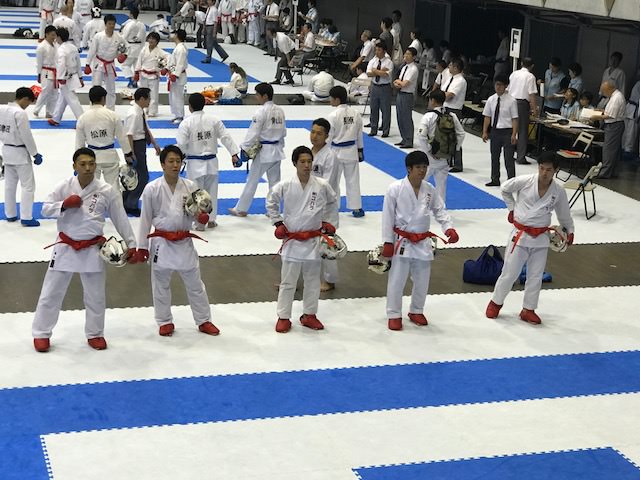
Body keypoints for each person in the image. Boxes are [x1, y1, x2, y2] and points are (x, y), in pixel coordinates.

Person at [31, 148, 137, 353]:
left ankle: (95, 333)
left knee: (95, 295)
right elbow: (44, 208)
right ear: (74, 166)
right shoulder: (65, 186)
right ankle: (41, 333)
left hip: (92, 247)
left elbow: (120, 218)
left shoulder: (106, 190)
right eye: (83, 164)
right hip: (65, 246)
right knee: (51, 292)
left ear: (96, 165)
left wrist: (132, 244)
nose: (88, 168)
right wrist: (63, 205)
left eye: (91, 163)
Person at [130, 145, 221, 338]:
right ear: (163, 164)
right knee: (160, 284)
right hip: (162, 243)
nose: (175, 165)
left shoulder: (191, 186)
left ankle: (204, 320)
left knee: (195, 284)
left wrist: (202, 219)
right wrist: (141, 247)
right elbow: (145, 219)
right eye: (170, 161)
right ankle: (164, 321)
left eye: (178, 161)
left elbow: (199, 212)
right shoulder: (152, 189)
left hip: (184, 241)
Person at [486, 152, 574, 325]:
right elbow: (505, 188)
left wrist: (569, 231)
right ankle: (495, 302)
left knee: (535, 276)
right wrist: (511, 209)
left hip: (541, 237)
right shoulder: (525, 181)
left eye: (549, 170)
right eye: (541, 168)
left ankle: (528, 309)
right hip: (521, 235)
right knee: (510, 272)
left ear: (555, 171)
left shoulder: (558, 191)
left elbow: (564, 215)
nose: (544, 173)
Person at [381, 150, 459, 331]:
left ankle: (416, 310)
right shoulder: (395, 189)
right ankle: (394, 313)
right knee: (397, 280)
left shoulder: (429, 190)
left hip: (422, 241)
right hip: (402, 240)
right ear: (409, 169)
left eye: (424, 167)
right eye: (418, 167)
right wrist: (387, 241)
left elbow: (440, 210)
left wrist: (448, 227)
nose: (422, 171)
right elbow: (387, 217)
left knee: (422, 279)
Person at [266, 145, 338, 333]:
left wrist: (329, 223)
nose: (307, 165)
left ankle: (309, 315)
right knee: (288, 282)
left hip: (314, 240)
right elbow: (270, 201)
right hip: (293, 240)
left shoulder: (321, 185)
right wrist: (277, 223)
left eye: (309, 161)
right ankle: (283, 316)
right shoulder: (286, 185)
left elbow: (333, 202)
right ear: (295, 164)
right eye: (302, 162)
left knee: (313, 281)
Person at [177, 93, 240, 229]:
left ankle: (200, 223)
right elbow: (225, 136)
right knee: (211, 192)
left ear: (190, 107)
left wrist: (179, 159)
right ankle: (211, 220)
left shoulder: (186, 123)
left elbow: (181, 144)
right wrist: (234, 153)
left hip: (195, 163)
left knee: (196, 194)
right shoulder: (214, 120)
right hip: (212, 162)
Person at [229, 83, 286, 217]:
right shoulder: (280, 110)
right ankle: (274, 211)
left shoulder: (261, 111)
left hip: (264, 152)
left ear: (264, 96)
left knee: (252, 180)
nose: (256, 97)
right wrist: (281, 146)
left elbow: (253, 133)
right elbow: (283, 132)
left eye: (257, 95)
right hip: (277, 150)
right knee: (275, 182)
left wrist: (244, 148)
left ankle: (241, 209)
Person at [75, 86, 133, 191]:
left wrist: (78, 162)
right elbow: (122, 137)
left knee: (91, 188)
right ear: (103, 98)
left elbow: (79, 143)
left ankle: (91, 207)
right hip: (110, 156)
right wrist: (128, 153)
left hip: (91, 157)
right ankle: (116, 207)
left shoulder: (83, 118)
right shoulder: (113, 115)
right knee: (114, 189)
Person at [1, 88, 43, 227]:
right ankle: (26, 216)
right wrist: (35, 154)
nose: (27, 105)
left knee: (9, 186)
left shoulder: (2, 109)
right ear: (24, 98)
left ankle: (10, 214)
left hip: (6, 149)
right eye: (29, 102)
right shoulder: (20, 113)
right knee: (28, 186)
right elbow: (26, 136)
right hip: (20, 153)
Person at [323, 85, 365, 219]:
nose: (330, 100)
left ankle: (332, 206)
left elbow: (329, 137)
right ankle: (356, 207)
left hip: (336, 152)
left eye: (331, 98)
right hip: (352, 151)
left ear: (336, 99)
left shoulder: (333, 115)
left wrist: (324, 152)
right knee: (353, 180)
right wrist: (360, 150)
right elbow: (359, 134)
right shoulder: (356, 113)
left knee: (333, 181)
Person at [416, 89, 464, 205]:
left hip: (429, 158)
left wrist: (428, 151)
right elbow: (461, 134)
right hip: (445, 157)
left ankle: (418, 206)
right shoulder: (452, 115)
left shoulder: (428, 116)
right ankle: (440, 209)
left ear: (433, 101)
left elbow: (421, 135)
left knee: (420, 183)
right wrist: (454, 149)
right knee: (441, 186)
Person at [309, 118, 340, 292]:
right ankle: (307, 276)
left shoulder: (330, 156)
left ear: (327, 136)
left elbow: (326, 183)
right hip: (310, 202)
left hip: (327, 205)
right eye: (312, 132)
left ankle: (330, 280)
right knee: (306, 240)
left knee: (328, 242)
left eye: (319, 133)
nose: (314, 136)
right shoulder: (308, 153)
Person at [123, 87, 161, 216]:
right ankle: (130, 204)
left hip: (139, 144)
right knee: (141, 177)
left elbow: (146, 129)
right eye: (148, 98)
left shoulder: (139, 111)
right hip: (135, 146)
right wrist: (131, 153)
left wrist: (155, 144)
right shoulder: (134, 113)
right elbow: (129, 134)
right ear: (142, 99)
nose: (150, 101)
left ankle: (126, 202)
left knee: (134, 177)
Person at [85, 14, 127, 111]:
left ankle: (110, 109)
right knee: (96, 87)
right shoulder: (98, 36)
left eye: (113, 24)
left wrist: (124, 55)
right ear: (105, 24)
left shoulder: (119, 37)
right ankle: (93, 109)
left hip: (110, 64)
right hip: (99, 63)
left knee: (111, 89)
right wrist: (87, 64)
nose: (111, 25)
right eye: (109, 23)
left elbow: (126, 47)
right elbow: (92, 51)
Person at [482, 75, 518, 187]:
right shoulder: (491, 99)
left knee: (508, 158)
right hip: (495, 131)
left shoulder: (512, 101)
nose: (498, 87)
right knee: (494, 156)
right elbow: (487, 116)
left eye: (500, 85)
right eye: (496, 84)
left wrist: (514, 134)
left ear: (506, 86)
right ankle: (495, 178)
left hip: (507, 131)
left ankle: (511, 181)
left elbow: (515, 118)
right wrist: (484, 131)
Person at [48, 27, 84, 127]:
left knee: (72, 99)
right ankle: (56, 118)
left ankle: (82, 122)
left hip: (65, 78)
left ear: (59, 37)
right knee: (62, 97)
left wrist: (60, 77)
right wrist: (80, 77)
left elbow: (61, 64)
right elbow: (78, 63)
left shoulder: (61, 50)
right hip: (73, 75)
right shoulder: (73, 47)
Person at [592, 80, 626, 179]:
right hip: (614, 124)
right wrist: (601, 111)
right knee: (613, 149)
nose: (603, 93)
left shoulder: (616, 98)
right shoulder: (614, 96)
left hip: (614, 125)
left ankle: (605, 172)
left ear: (609, 89)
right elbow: (610, 112)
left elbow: (611, 115)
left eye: (604, 90)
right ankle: (612, 171)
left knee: (609, 149)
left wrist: (596, 117)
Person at [508, 57, 538, 165]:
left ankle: (509, 154)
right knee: (523, 131)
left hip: (510, 101)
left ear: (521, 63)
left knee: (511, 129)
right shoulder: (530, 77)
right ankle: (520, 157)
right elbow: (531, 94)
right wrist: (534, 109)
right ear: (532, 66)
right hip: (521, 104)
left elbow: (508, 89)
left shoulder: (514, 74)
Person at [134, 32, 170, 117]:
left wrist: (165, 68)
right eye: (150, 38)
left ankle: (152, 111)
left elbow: (169, 58)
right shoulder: (143, 50)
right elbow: (139, 61)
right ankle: (143, 109)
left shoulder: (160, 52)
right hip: (143, 74)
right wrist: (136, 72)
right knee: (143, 94)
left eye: (153, 39)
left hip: (153, 76)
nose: (151, 40)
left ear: (157, 41)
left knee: (153, 95)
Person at [442, 57, 467, 172]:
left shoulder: (460, 81)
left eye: (451, 65)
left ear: (456, 68)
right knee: (446, 137)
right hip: (446, 108)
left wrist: (440, 96)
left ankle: (458, 164)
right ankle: (448, 160)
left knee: (455, 138)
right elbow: (444, 92)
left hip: (454, 110)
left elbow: (450, 95)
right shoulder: (450, 78)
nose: (449, 67)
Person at [393, 47, 419, 148]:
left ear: (414, 56)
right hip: (400, 93)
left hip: (407, 95)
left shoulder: (413, 69)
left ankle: (409, 140)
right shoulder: (404, 67)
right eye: (405, 53)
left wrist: (399, 83)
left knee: (406, 117)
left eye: (408, 54)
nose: (406, 56)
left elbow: (404, 83)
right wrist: (399, 83)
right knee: (400, 117)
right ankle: (404, 138)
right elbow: (397, 81)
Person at [366, 42, 393, 137]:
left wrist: (375, 71)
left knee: (385, 109)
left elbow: (386, 75)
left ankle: (385, 130)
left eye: (379, 50)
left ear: (384, 51)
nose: (377, 52)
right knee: (373, 108)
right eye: (376, 50)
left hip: (384, 87)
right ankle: (373, 129)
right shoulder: (373, 61)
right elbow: (369, 73)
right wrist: (380, 71)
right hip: (374, 86)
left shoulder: (389, 62)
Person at [33, 25, 58, 119]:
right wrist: (39, 73)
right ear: (46, 34)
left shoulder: (55, 45)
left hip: (55, 71)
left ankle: (49, 112)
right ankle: (36, 110)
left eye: (55, 35)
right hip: (46, 71)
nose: (54, 37)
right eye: (52, 35)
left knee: (54, 93)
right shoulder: (41, 47)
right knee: (45, 91)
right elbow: (38, 62)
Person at [120, 7, 146, 89]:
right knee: (137, 67)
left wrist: (121, 49)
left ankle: (131, 80)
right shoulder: (142, 25)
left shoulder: (129, 24)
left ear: (131, 14)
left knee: (125, 65)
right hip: (139, 47)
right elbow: (144, 38)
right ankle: (136, 82)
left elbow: (124, 37)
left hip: (130, 47)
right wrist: (141, 48)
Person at [168, 29, 189, 124]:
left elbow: (180, 63)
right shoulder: (179, 47)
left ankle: (180, 116)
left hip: (179, 76)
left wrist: (176, 75)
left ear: (177, 35)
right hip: (175, 74)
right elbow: (173, 62)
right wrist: (167, 68)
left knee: (178, 96)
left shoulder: (181, 49)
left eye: (174, 34)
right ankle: (176, 114)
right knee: (173, 96)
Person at [622, 75, 640, 156]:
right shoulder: (638, 84)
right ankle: (627, 151)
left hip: (629, 107)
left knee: (627, 131)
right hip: (634, 110)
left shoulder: (637, 83)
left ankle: (624, 149)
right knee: (631, 133)